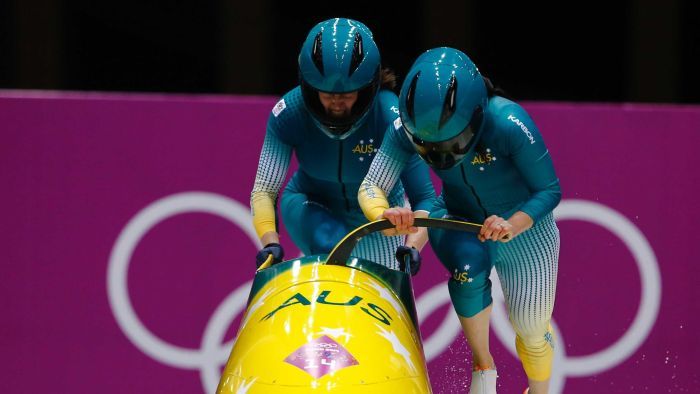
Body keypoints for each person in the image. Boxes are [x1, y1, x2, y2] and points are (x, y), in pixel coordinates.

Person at [358, 47, 561, 394]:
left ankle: (540, 390)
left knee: (531, 327)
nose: (442, 155)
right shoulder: (404, 127)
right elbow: (371, 185)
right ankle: (484, 368)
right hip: (457, 217)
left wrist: (512, 224)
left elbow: (549, 190)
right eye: (429, 146)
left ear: (476, 115)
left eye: (453, 142)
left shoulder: (509, 122)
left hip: (524, 231)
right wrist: (384, 214)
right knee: (468, 268)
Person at [250, 18, 434, 273]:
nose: (337, 103)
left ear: (367, 87)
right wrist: (270, 242)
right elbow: (264, 190)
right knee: (333, 245)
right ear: (310, 87)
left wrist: (412, 247)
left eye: (347, 95)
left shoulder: (390, 116)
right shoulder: (289, 112)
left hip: (379, 217)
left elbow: (424, 197)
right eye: (326, 95)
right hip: (310, 204)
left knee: (384, 287)